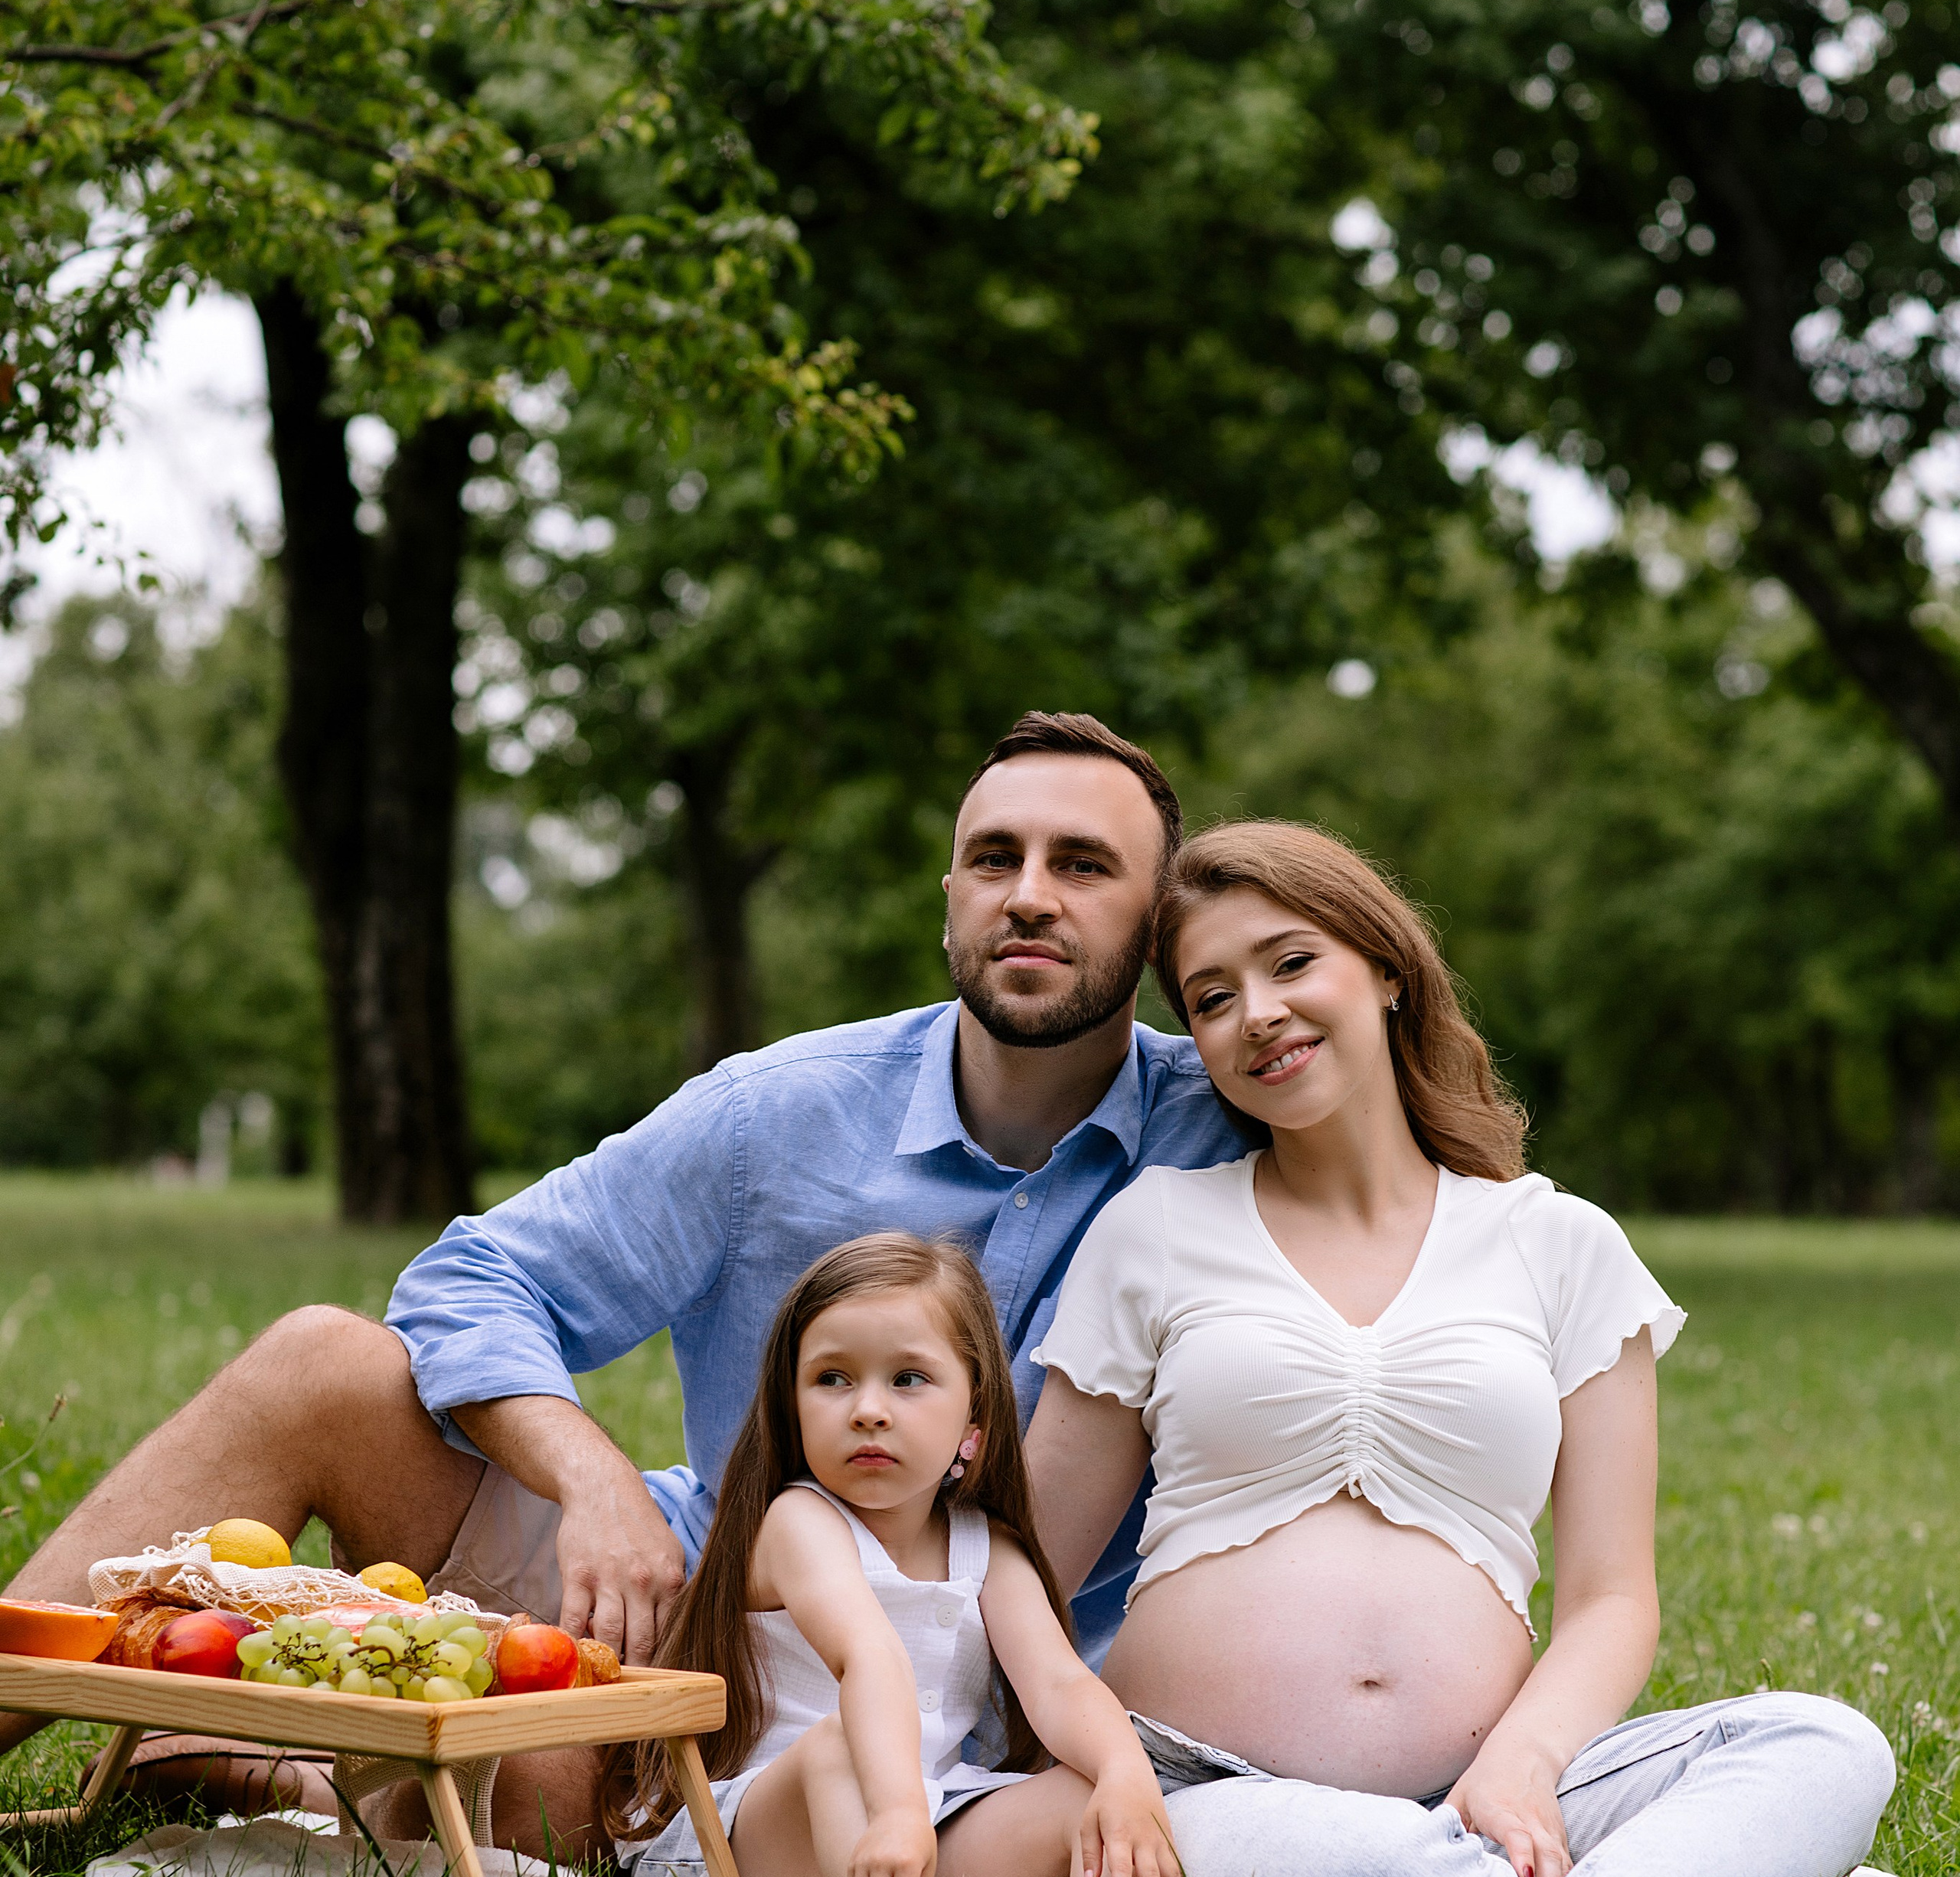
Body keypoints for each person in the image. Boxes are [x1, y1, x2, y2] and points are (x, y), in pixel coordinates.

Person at [0, 712, 1244, 1852]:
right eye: (994, 858)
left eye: (1083, 866)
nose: (1028, 897)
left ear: (1157, 924)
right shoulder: (784, 1115)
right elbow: (470, 1278)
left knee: (556, 1797)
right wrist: (595, 1484)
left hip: (1016, 1689)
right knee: (319, 1364)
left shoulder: (1239, 1121)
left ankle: (271, 1779)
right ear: (949, 898)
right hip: (701, 1615)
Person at [1025, 819, 1897, 1877]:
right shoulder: (1155, 1227)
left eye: (1293, 962)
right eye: (1211, 999)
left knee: (1822, 1743)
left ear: (1389, 969)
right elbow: (1024, 1569)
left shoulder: (1560, 1243)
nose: (1258, 1014)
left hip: (1503, 1793)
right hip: (1207, 1793)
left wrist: (1527, 1759)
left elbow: (1612, 1598)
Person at [614, 1233, 1177, 1877]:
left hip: (919, 1821)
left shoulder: (986, 1548)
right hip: (760, 1832)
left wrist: (1125, 1775)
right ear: (791, 1407)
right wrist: (898, 1815)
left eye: (909, 1379)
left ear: (974, 1420)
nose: (869, 1410)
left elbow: (1060, 1682)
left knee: (1089, 1799)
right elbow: (869, 1655)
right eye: (832, 1379)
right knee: (841, 1750)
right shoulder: (799, 1522)